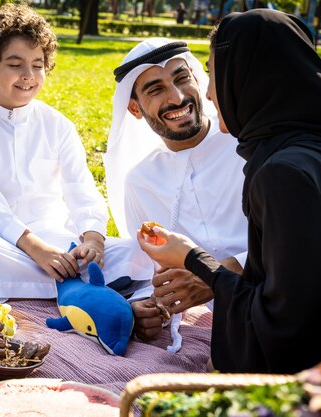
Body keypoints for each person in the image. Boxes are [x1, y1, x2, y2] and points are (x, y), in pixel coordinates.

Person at [137, 9, 321, 374]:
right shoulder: (315, 145)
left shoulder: (283, 174)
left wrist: (194, 260)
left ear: (251, 78)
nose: (211, 92)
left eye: (214, 74)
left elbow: (284, 325)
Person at [0, 3, 154, 301]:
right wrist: (36, 249)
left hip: (55, 234)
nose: (28, 75)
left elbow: (80, 188)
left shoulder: (58, 125)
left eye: (37, 64)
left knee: (135, 252)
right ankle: (80, 284)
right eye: (15, 64)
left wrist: (94, 239)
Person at [105, 38, 248, 342]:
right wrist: (149, 307)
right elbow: (153, 270)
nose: (178, 97)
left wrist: (216, 277)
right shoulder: (140, 181)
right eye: (156, 89)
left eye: (182, 78)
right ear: (134, 108)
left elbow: (291, 246)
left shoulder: (245, 147)